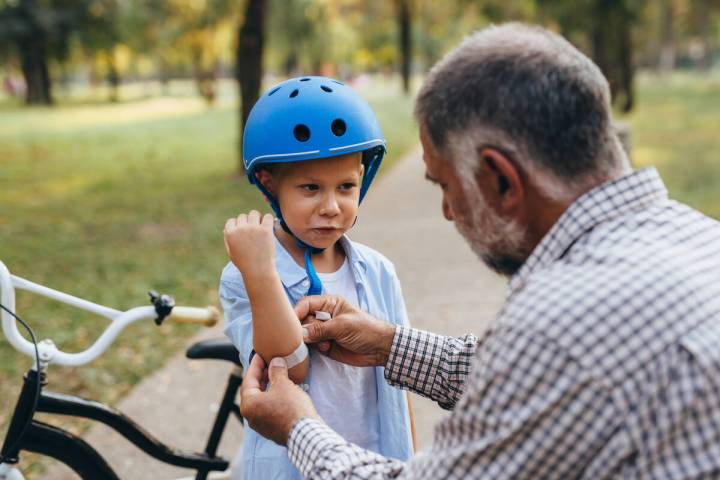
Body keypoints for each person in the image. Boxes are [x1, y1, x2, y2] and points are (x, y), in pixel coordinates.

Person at [237, 23, 720, 479]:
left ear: (500, 179)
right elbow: (544, 383)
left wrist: (298, 427)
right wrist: (391, 344)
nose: (448, 211)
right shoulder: (698, 238)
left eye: (445, 185)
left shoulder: (560, 324)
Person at [220, 76, 414, 479]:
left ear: (363, 175)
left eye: (346, 186)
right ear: (269, 186)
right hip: (295, 467)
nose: (331, 207)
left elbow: (399, 372)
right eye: (310, 187)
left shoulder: (377, 272)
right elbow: (289, 369)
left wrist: (410, 461)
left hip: (375, 462)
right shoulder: (244, 275)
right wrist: (260, 272)